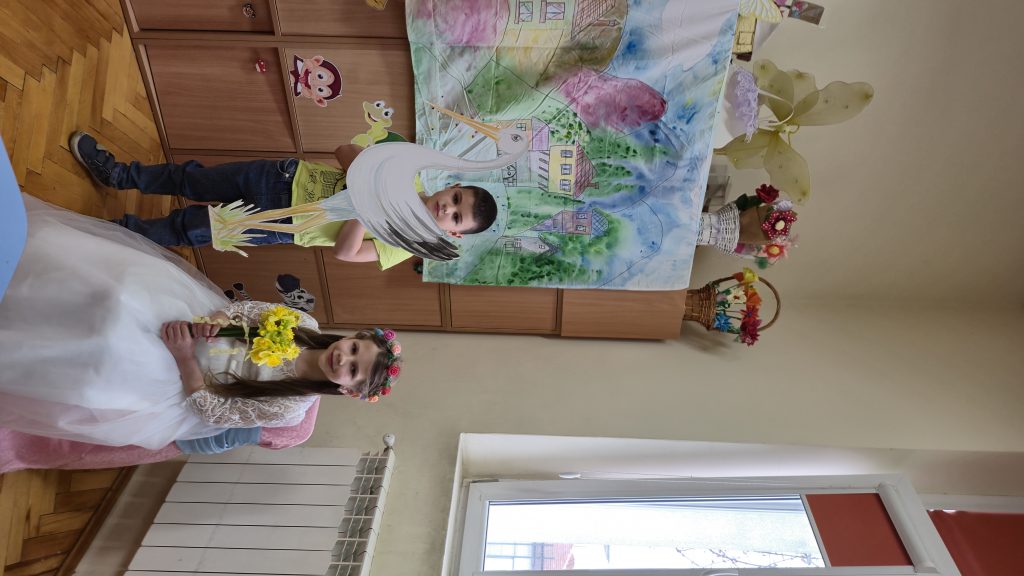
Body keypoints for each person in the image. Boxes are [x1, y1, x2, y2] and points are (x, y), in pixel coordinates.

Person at [0, 194, 403, 450]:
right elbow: (248, 310)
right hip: (196, 322)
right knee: (120, 292)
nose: (344, 358)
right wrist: (220, 318)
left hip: (181, 375)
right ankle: (19, 277)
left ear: (349, 390)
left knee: (109, 350)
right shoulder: (305, 324)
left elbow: (215, 411)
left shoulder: (289, 408)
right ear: (352, 336)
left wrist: (183, 357)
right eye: (354, 348)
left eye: (353, 370)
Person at [69, 132, 499, 270]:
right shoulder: (406, 172)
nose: (447, 208)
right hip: (281, 176)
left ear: (454, 233)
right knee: (192, 179)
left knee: (193, 228)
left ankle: (116, 233)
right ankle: (118, 174)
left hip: (281, 223)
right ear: (451, 186)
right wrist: (372, 180)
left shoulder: (403, 245)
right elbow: (342, 149)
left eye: (456, 216)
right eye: (455, 198)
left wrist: (369, 212)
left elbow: (345, 253)